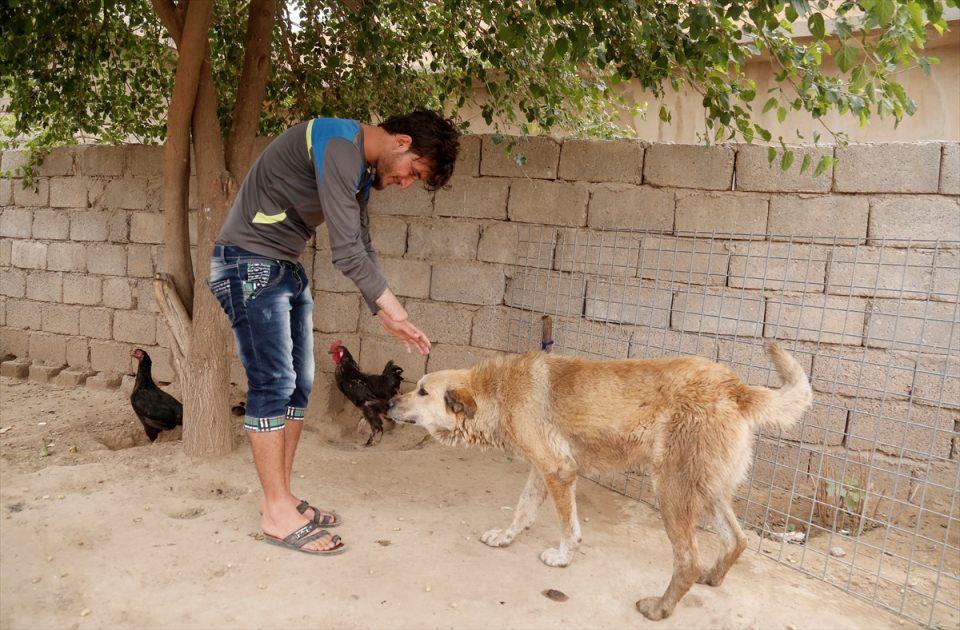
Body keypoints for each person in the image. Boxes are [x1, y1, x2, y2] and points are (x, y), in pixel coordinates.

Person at [207, 110, 460, 555]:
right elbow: (344, 251)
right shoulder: (336, 140)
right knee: (273, 384)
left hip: (282, 266)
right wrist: (394, 308)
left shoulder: (358, 171)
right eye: (412, 173)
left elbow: (359, 243)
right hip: (247, 264)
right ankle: (275, 513)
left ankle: (282, 498)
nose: (405, 184)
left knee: (299, 386)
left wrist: (381, 312)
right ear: (400, 142)